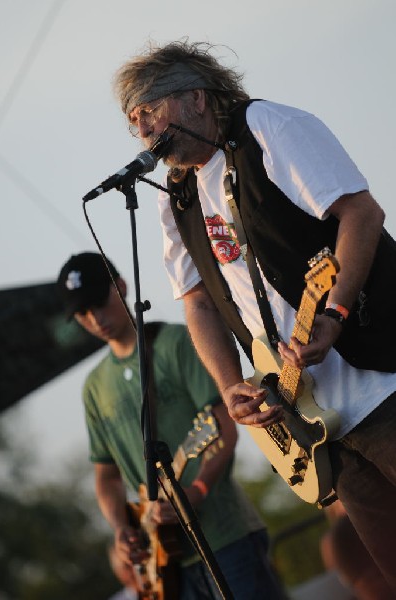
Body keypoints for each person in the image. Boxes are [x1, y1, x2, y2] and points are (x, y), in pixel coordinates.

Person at [111, 39, 396, 594]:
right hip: (319, 425)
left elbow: (360, 213)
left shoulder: (267, 127)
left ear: (196, 96)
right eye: (133, 122)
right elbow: (195, 301)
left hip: (384, 375)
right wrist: (228, 385)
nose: (144, 130)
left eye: (150, 111)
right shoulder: (177, 194)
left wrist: (334, 311)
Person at [56, 251, 285, 600]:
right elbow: (106, 475)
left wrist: (197, 492)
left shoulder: (176, 343)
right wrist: (121, 528)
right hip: (163, 563)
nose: (94, 318)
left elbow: (223, 425)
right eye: (82, 314)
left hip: (226, 536)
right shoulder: (94, 388)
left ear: (120, 286)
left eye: (97, 303)